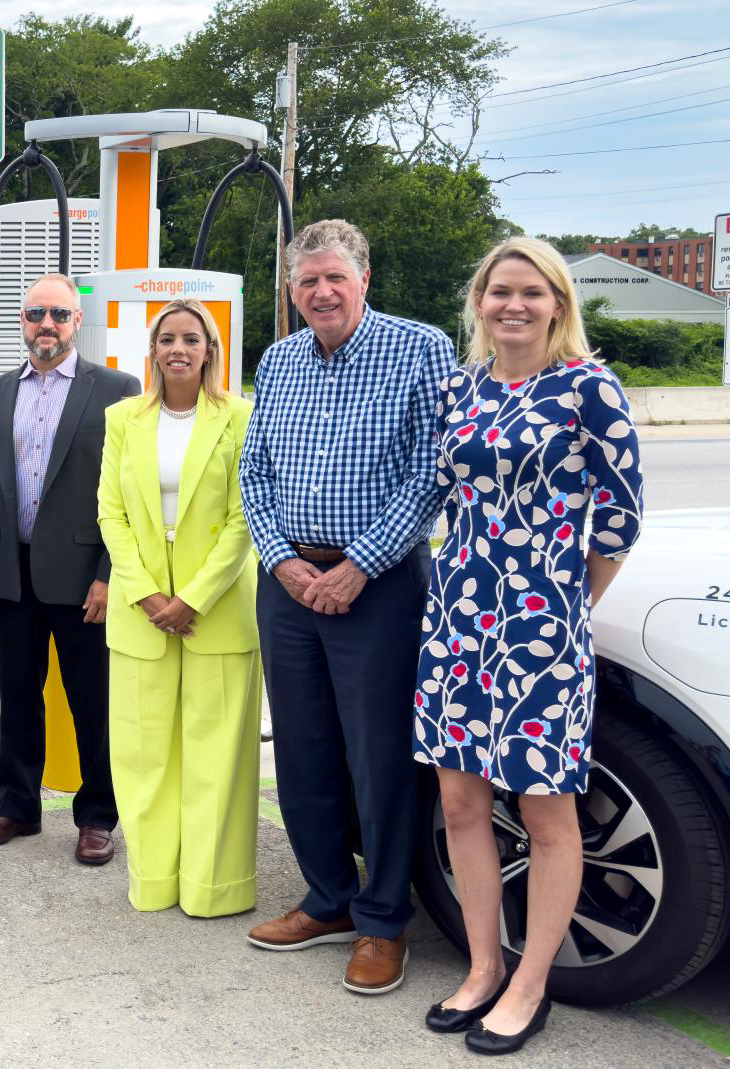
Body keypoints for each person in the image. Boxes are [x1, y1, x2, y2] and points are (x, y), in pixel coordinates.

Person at [413, 237, 643, 1054]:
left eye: (532, 292)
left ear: (557, 304)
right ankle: (483, 967)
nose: (514, 305)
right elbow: (440, 491)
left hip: (542, 628)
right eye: (500, 291)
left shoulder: (588, 386)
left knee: (546, 810)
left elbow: (620, 516)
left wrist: (564, 605)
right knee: (460, 803)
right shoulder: (461, 386)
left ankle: (530, 982)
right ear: (479, 301)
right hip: (456, 618)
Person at [238, 219, 458, 995]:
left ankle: (384, 919)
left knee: (379, 756)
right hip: (289, 582)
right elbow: (254, 470)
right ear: (291, 290)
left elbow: (435, 468)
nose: (322, 291)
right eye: (308, 281)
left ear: (364, 277)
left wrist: (360, 563)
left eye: (335, 276)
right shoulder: (281, 359)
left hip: (380, 584)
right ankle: (328, 897)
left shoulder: (420, 348)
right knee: (302, 750)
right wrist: (281, 559)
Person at [0, 273, 139, 864]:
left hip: (84, 577)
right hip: (10, 572)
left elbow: (128, 494)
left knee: (92, 701)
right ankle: (16, 807)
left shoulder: (116, 390)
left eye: (59, 314)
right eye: (36, 314)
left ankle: (98, 816)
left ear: (77, 321)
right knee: (17, 697)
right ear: (22, 321)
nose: (47, 325)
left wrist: (109, 575)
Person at [96, 299, 260, 917]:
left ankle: (214, 887)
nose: (179, 349)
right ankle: (155, 878)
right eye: (168, 339)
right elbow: (110, 512)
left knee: (217, 756)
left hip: (218, 607)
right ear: (153, 349)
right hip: (142, 611)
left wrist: (193, 597)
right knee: (144, 755)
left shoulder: (241, 416)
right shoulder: (122, 418)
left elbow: (247, 515)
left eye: (192, 339)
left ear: (210, 349)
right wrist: (145, 592)